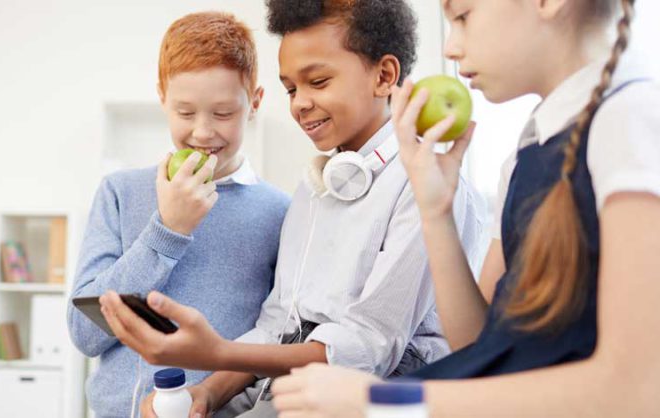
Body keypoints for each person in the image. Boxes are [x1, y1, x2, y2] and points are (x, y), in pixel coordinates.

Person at [270, 0, 660, 416]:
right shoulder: (529, 151)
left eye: (463, 17)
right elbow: (480, 346)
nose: (451, 48)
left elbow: (635, 390)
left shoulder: (631, 118)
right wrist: (435, 211)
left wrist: (376, 402)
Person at [100, 1, 485, 417]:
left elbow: (369, 346)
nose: (300, 103)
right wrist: (209, 393)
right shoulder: (316, 187)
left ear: (384, 76)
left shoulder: (424, 187)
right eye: (291, 89)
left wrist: (220, 352)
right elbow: (277, 324)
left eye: (317, 81)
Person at [66, 12, 290, 417]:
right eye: (185, 113)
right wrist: (168, 229)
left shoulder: (279, 212)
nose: (203, 132)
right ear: (163, 98)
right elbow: (85, 334)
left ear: (254, 102)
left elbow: (274, 340)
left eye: (223, 113)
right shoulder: (119, 192)